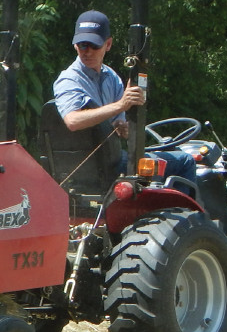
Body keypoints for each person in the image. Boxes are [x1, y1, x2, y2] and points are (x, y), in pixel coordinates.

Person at [52, 10, 196, 194]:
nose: (87, 52)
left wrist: (125, 129)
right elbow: (72, 121)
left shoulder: (111, 78)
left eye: (94, 46)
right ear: (75, 45)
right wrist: (121, 105)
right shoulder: (69, 80)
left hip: (112, 160)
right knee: (185, 161)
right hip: (100, 166)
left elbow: (121, 130)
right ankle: (185, 219)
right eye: (82, 45)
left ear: (108, 44)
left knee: (152, 158)